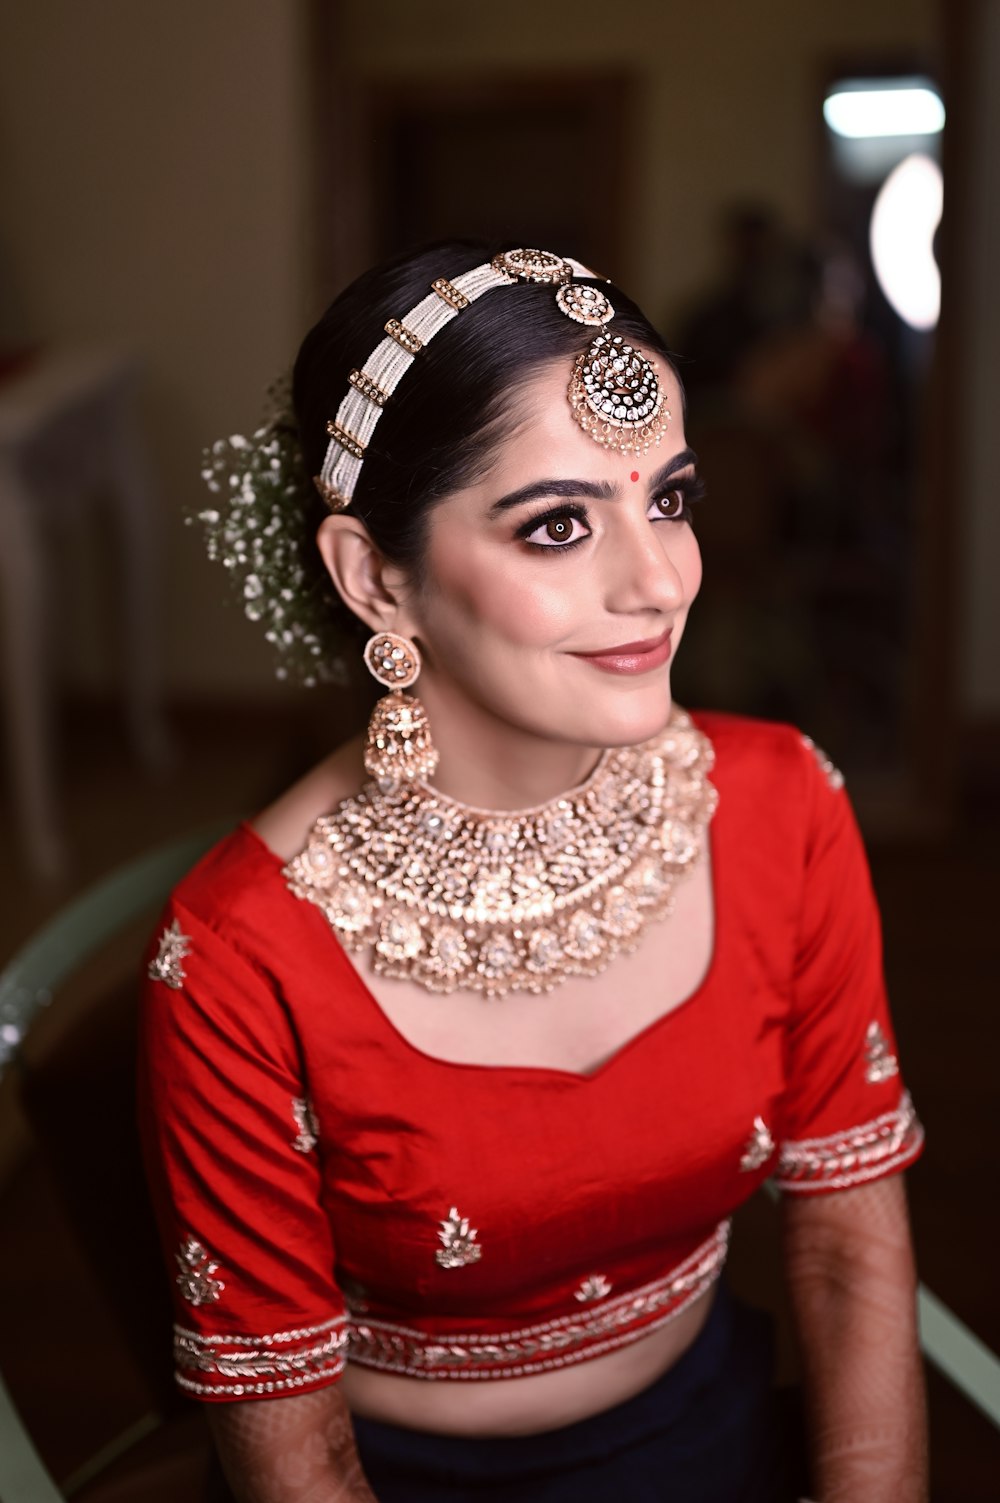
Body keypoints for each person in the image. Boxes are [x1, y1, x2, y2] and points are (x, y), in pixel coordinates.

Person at [138, 242, 928, 1503]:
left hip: (717, 1440)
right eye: (558, 525)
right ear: (375, 578)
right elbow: (298, 1458)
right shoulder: (240, 956)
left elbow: (844, 1250)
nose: (660, 581)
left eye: (667, 498)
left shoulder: (781, 804)